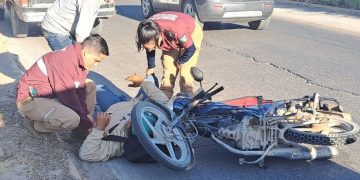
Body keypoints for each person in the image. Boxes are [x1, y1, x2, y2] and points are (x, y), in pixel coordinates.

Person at [16, 34, 109, 137]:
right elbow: (69, 99)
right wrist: (88, 124)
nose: (96, 65)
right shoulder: (64, 61)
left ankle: (82, 131)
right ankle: (36, 125)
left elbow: (80, 91)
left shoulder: (80, 60)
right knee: (73, 119)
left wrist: (86, 115)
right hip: (30, 100)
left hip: (50, 95)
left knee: (90, 85)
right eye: (96, 61)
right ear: (86, 53)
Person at [79, 74, 169, 162]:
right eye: (134, 117)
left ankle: (147, 86)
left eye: (132, 122)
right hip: (135, 102)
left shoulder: (119, 142)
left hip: (114, 107)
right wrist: (142, 82)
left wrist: (99, 129)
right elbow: (164, 102)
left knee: (98, 88)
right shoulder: (154, 115)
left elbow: (86, 154)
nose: (129, 120)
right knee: (150, 79)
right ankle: (150, 83)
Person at [136, 11, 203, 99]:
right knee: (168, 68)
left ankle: (187, 96)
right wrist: (151, 67)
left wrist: (181, 60)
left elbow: (191, 49)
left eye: (154, 46)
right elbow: (150, 48)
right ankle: (164, 96)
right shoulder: (147, 29)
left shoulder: (176, 28)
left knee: (185, 72)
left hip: (190, 32)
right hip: (170, 36)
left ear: (158, 37)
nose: (150, 49)